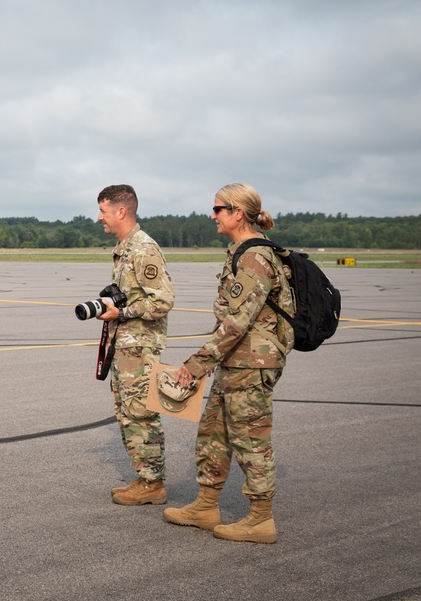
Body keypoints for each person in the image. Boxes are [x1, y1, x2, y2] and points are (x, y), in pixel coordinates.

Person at [163, 183, 294, 544]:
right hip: (236, 360)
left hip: (251, 363)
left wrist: (197, 364)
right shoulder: (240, 251)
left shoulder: (254, 257)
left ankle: (260, 519)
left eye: (219, 208)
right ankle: (206, 506)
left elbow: (237, 321)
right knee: (214, 432)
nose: (213, 215)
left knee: (250, 439)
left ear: (238, 213)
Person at [94, 185, 176, 506]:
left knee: (141, 412)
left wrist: (122, 312)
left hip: (140, 346)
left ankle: (153, 484)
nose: (99, 217)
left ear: (121, 211)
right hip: (126, 344)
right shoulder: (125, 248)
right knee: (128, 411)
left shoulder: (143, 249)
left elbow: (163, 300)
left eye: (103, 210)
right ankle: (145, 477)